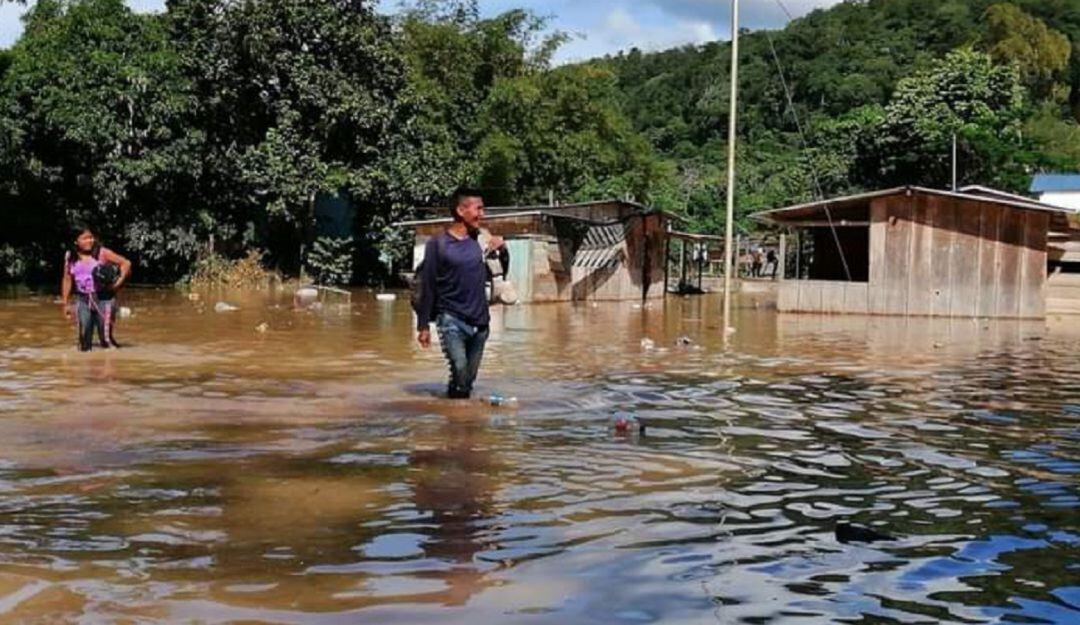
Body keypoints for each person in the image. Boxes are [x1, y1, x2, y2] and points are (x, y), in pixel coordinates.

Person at [415, 189, 505, 399]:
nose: (482, 214)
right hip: (451, 319)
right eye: (478, 209)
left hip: (481, 322)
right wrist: (423, 326)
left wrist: (503, 248)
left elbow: (501, 272)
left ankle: (458, 418)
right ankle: (458, 414)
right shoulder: (438, 245)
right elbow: (427, 285)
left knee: (466, 380)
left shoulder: (482, 240)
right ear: (460, 210)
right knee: (460, 368)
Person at [61, 227, 132, 351]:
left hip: (104, 299)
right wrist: (65, 303)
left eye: (91, 237)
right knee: (84, 339)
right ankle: (86, 366)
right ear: (76, 241)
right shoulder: (70, 256)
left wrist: (117, 284)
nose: (90, 241)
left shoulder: (102, 253)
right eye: (85, 238)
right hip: (82, 299)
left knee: (105, 339)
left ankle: (111, 365)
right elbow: (67, 279)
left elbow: (126, 263)